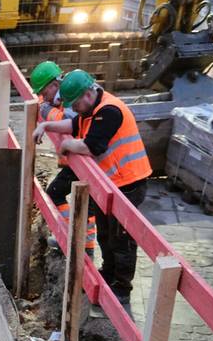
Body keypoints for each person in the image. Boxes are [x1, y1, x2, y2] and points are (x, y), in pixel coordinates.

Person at [34, 69, 152, 309]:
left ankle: (122, 288)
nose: (74, 108)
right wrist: (46, 125)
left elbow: (92, 147)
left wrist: (66, 145)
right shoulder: (90, 110)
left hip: (128, 183)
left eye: (75, 103)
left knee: (122, 240)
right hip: (110, 183)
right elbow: (73, 124)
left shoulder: (109, 111)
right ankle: (107, 275)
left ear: (88, 94)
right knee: (105, 234)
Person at [29, 61, 97, 257]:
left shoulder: (72, 97)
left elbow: (64, 121)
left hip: (91, 160)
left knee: (87, 207)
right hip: (81, 158)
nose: (43, 97)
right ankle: (74, 238)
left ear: (54, 85)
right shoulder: (67, 93)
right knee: (59, 194)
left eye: (44, 92)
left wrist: (45, 111)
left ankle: (85, 248)